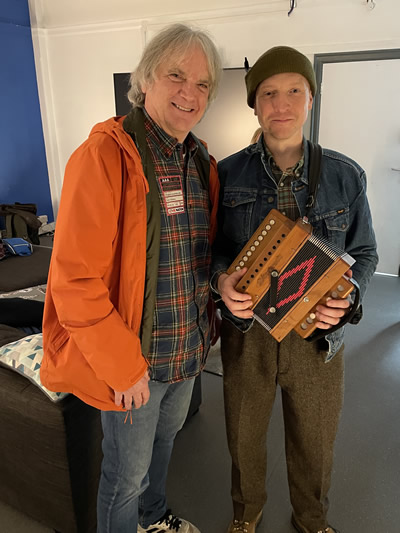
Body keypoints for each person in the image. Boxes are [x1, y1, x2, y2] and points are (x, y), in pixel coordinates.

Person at [41, 23, 221, 533]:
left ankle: (154, 518)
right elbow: (74, 280)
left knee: (165, 448)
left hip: (185, 353)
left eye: (203, 84)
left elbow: (197, 258)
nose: (190, 92)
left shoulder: (199, 160)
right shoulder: (104, 156)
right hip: (134, 366)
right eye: (176, 75)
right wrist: (122, 368)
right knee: (124, 477)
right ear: (145, 82)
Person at [211, 46, 378, 533]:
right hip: (249, 336)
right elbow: (214, 251)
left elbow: (365, 253)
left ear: (310, 98)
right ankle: (247, 514)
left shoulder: (346, 176)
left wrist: (348, 298)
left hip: (317, 341)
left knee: (316, 440)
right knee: (243, 437)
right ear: (255, 104)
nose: (281, 104)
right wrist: (222, 280)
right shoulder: (226, 174)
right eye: (268, 94)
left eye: (293, 92)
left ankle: (311, 518)